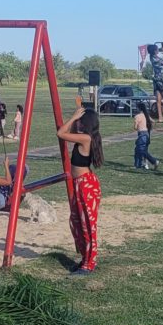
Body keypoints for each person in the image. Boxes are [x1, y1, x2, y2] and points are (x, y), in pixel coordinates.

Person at [58, 103, 103, 275]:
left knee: (87, 225)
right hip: (80, 183)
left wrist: (74, 117)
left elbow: (61, 133)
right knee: (75, 222)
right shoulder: (84, 136)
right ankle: (85, 258)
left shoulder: (86, 138)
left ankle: (90, 263)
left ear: (84, 123)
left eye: (79, 121)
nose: (76, 123)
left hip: (86, 184)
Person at [132, 102, 159, 172]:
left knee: (142, 151)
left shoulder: (137, 116)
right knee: (137, 150)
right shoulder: (146, 115)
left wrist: (136, 124)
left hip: (141, 134)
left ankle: (154, 161)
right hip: (147, 134)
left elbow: (135, 127)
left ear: (139, 108)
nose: (136, 109)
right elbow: (153, 121)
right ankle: (137, 165)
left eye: (136, 107)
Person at [147, 43, 163, 122]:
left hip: (156, 79)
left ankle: (160, 117)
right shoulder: (159, 60)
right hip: (162, 79)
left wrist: (161, 49)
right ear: (155, 51)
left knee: (158, 99)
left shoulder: (151, 57)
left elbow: (155, 51)